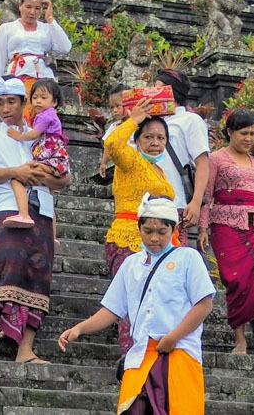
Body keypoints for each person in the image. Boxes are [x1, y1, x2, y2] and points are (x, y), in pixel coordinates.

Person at [59, 193, 216, 415]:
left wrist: (173, 337)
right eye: (148, 231)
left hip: (180, 351)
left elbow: (204, 304)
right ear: (139, 229)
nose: (154, 238)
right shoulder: (131, 264)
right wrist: (79, 329)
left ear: (173, 230)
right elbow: (113, 309)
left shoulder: (188, 258)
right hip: (141, 354)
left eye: (162, 232)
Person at [0, 76, 70, 363]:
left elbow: (65, 176)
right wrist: (16, 172)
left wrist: (43, 175)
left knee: (38, 275)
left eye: (11, 102)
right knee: (8, 259)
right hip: (6, 205)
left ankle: (25, 349)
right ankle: (6, 322)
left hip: (43, 208)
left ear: (24, 103)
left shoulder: (42, 132)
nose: (5, 108)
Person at [197, 108, 254, 355]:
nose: (249, 138)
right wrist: (203, 228)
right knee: (236, 279)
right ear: (229, 132)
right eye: (244, 133)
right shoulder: (216, 159)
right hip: (226, 225)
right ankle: (240, 340)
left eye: (253, 134)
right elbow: (207, 194)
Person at [104, 98, 178, 355]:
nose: (155, 142)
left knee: (155, 302)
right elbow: (112, 144)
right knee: (134, 300)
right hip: (129, 238)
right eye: (148, 137)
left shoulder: (158, 170)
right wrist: (132, 120)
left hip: (159, 244)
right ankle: (131, 357)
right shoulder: (131, 160)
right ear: (137, 139)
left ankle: (151, 355)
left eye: (160, 138)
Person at [0, 0, 72, 120]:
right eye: (28, 7)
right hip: (19, 79)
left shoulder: (47, 29)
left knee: (44, 121)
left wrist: (50, 19)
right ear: (20, 5)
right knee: (22, 119)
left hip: (43, 81)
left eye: (37, 8)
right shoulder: (7, 28)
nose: (32, 12)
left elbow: (65, 47)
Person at [5, 79, 69, 234]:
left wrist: (18, 135)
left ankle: (24, 214)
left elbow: (34, 134)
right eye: (35, 97)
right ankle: (53, 236)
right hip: (54, 157)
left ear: (54, 102)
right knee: (48, 194)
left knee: (17, 177)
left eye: (43, 97)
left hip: (50, 156)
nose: (38, 101)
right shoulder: (48, 115)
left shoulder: (45, 116)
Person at [153, 69, 210, 241]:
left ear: (172, 93)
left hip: (174, 201)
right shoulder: (151, 121)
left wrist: (196, 202)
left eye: (159, 88)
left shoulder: (190, 121)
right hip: (146, 201)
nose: (154, 92)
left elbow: (202, 163)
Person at [97, 83, 129, 179]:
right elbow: (108, 145)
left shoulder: (138, 124)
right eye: (112, 107)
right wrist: (103, 163)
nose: (114, 110)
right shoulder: (114, 127)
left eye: (118, 106)